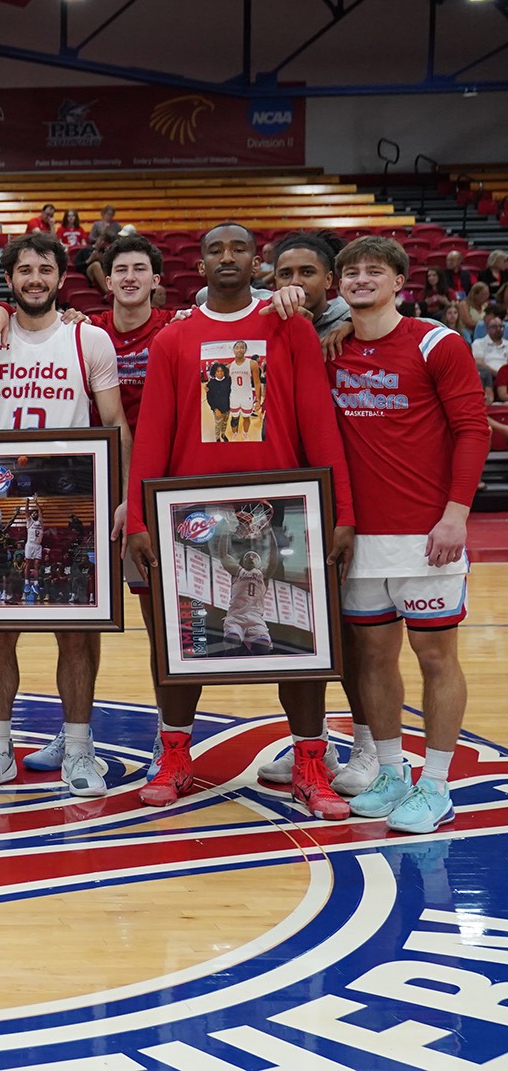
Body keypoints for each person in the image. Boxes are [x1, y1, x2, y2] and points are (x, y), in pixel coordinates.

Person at [125, 222, 359, 817]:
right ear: (198, 266)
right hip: (192, 516)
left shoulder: (291, 327)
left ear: (257, 263)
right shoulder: (175, 340)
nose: (226, 257)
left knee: (298, 640)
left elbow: (319, 424)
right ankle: (175, 755)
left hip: (283, 513)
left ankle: (310, 762)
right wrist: (138, 525)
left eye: (238, 249)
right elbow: (151, 435)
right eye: (214, 250)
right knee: (186, 641)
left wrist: (342, 515)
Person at [0, 232, 130, 798]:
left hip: (72, 498)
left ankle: (78, 748)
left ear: (60, 277)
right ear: (10, 280)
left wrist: (122, 496)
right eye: (25, 270)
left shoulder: (87, 339)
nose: (35, 279)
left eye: (45, 269)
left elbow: (115, 423)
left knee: (74, 634)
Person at [325, 236, 489, 833]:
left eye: (375, 270)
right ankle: (391, 772)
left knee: (435, 657)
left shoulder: (436, 343)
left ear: (400, 281)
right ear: (339, 286)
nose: (361, 279)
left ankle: (438, 785)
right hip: (359, 537)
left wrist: (456, 514)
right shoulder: (332, 350)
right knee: (372, 656)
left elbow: (474, 429)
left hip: (427, 533)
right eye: (351, 272)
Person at [271, 233, 350, 335]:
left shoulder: (350, 322)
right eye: (286, 274)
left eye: (307, 272)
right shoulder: (263, 318)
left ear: (328, 279)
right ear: (276, 281)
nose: (295, 282)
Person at [473, 305, 508, 395]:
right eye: (494, 327)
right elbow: (479, 362)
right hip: (489, 378)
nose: (498, 329)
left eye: (501, 326)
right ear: (487, 329)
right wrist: (499, 375)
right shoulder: (479, 343)